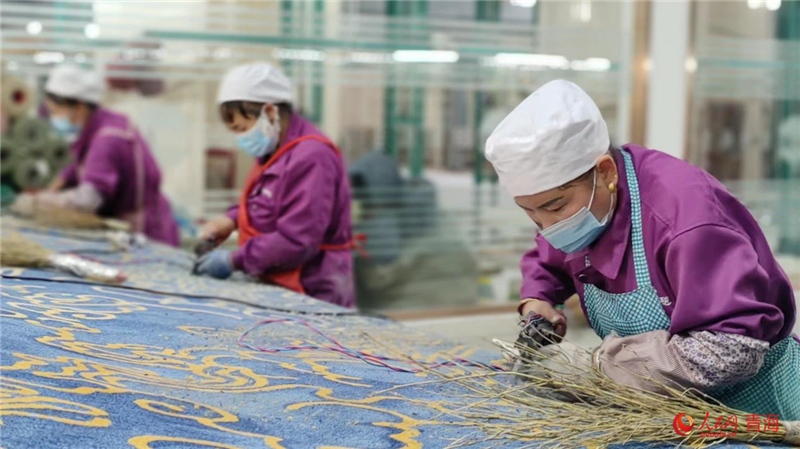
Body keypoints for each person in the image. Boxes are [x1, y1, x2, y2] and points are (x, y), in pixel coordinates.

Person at [485, 80, 799, 419]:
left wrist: (597, 366)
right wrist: (538, 301)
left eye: (555, 206)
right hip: (671, 411)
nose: (547, 226)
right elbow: (550, 258)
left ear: (605, 172)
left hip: (761, 407)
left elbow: (731, 351)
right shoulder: (586, 208)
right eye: (530, 213)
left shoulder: (685, 218)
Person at [195, 63, 355, 309]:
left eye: (242, 128)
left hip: (311, 288)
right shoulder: (276, 149)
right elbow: (266, 201)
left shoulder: (311, 157)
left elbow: (297, 240)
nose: (241, 138)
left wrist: (234, 260)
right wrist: (231, 219)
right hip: (279, 279)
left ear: (270, 112)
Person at [12, 64, 179, 246]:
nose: (54, 118)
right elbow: (76, 165)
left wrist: (37, 201)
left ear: (80, 107)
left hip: (143, 233)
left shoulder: (108, 138)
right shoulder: (97, 126)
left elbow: (88, 200)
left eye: (56, 111)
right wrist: (53, 188)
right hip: (127, 228)